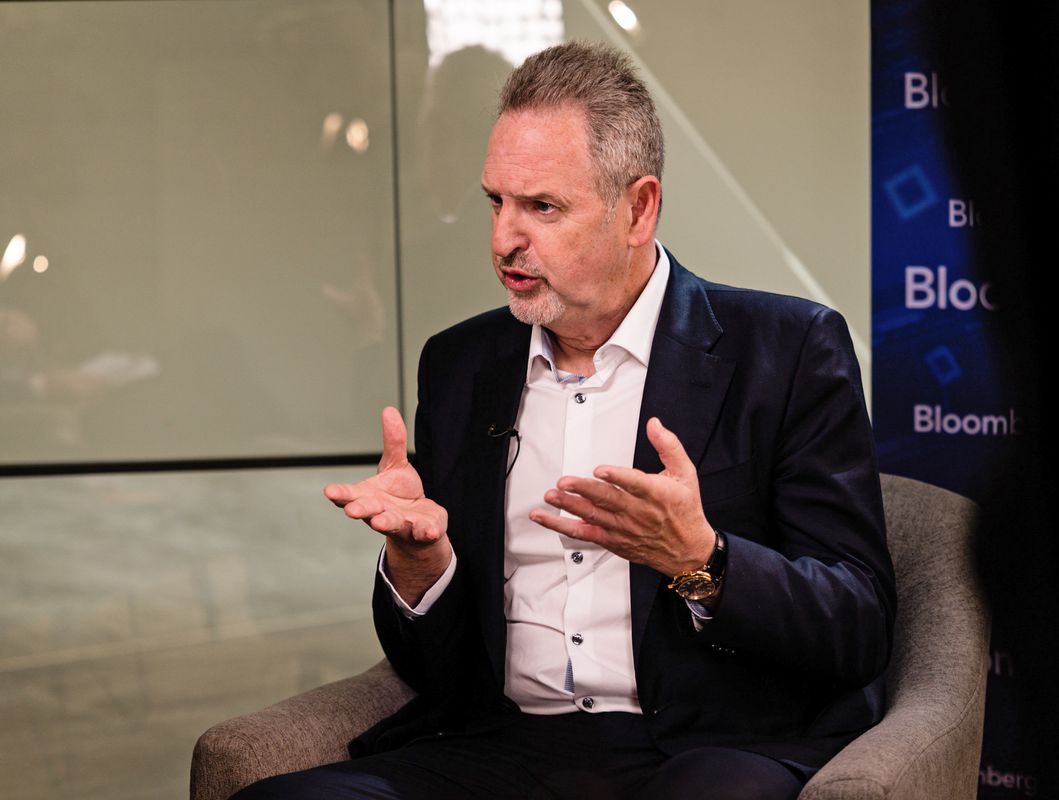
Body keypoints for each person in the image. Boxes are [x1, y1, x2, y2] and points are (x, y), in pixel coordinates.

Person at [235, 41, 894, 799]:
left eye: (542, 207)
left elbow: (860, 622)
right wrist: (421, 569)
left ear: (638, 208)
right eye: (495, 202)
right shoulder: (461, 367)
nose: (503, 240)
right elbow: (434, 671)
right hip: (502, 747)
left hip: (704, 747)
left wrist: (700, 561)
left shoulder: (785, 351)